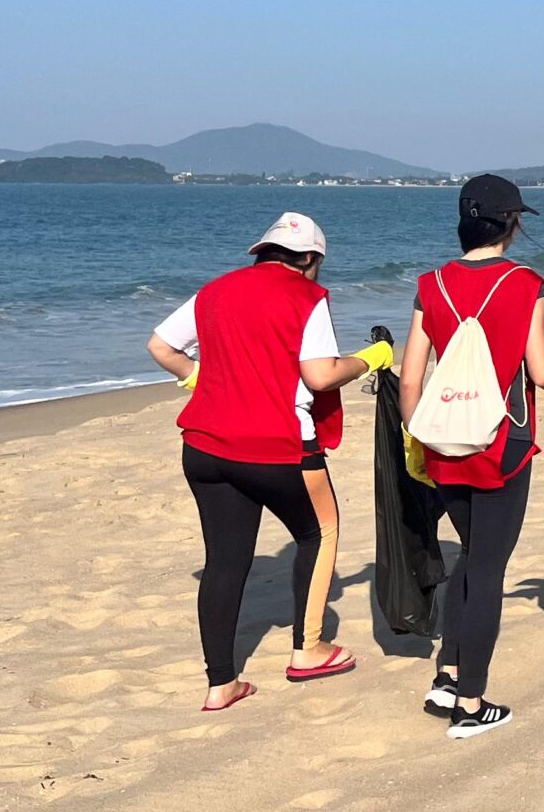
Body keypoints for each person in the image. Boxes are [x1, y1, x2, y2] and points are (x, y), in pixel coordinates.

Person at [398, 175, 544, 739]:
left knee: (472, 558)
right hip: (502, 447)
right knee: (488, 569)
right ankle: (470, 703)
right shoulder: (526, 284)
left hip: (441, 443)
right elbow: (543, 374)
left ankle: (446, 673)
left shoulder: (432, 284)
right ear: (510, 223)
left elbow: (411, 377)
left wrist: (416, 436)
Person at [147, 212, 396, 712]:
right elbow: (321, 375)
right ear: (309, 259)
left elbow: (161, 346)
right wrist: (374, 356)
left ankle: (221, 683)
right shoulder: (307, 296)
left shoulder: (216, 290)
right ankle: (308, 649)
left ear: (262, 252)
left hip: (205, 446)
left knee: (224, 561)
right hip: (278, 447)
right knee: (318, 532)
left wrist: (200, 378)